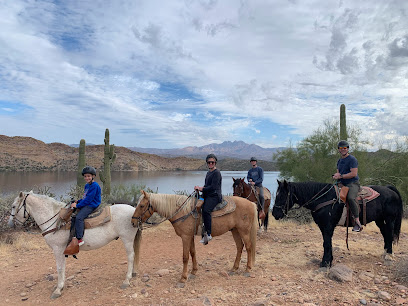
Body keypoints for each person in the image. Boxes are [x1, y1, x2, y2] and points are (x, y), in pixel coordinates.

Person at [332, 140, 362, 232]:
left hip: (352, 183)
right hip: (342, 183)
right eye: (341, 148)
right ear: (338, 150)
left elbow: (353, 173)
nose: (343, 150)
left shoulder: (352, 159)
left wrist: (341, 176)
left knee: (350, 198)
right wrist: (336, 176)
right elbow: (339, 172)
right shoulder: (339, 161)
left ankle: (357, 221)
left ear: (348, 149)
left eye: (345, 148)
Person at [194, 154, 222, 244]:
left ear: (215, 163)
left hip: (214, 195)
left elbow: (213, 187)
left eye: (212, 162)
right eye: (209, 162)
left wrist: (202, 188)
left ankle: (209, 234)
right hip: (208, 194)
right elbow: (207, 185)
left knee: (206, 210)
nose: (210, 163)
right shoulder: (208, 173)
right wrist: (199, 188)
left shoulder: (217, 173)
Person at [71, 166, 102, 246]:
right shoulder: (87, 185)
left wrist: (77, 205)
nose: (87, 178)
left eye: (88, 176)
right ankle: (73, 234)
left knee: (79, 217)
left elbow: (89, 200)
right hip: (88, 203)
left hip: (92, 205)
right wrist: (78, 201)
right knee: (73, 215)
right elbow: (85, 198)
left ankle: (79, 239)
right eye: (85, 176)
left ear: (93, 176)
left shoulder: (95, 186)